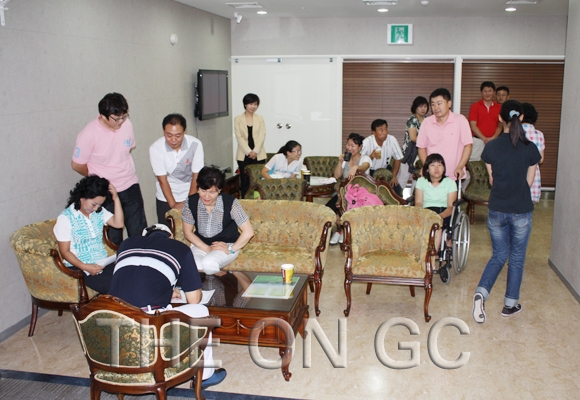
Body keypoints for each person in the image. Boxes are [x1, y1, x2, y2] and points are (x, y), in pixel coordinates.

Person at [108, 224, 226, 388]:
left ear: (144, 236)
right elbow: (194, 299)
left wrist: (166, 290)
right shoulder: (179, 248)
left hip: (114, 320)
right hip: (148, 324)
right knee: (202, 311)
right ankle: (206, 376)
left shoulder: (126, 244)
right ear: (171, 237)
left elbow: (135, 281)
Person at [472, 100, 541, 324]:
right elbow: (528, 182)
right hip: (521, 210)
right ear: (521, 118)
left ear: (500, 118)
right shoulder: (530, 148)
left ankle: (481, 293)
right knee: (517, 258)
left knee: (499, 255)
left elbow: (492, 179)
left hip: (497, 210)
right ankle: (510, 305)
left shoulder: (491, 147)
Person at [71, 93, 147, 245]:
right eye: (117, 118)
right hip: (106, 192)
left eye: (124, 116)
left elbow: (128, 148)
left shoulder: (127, 124)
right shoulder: (89, 134)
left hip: (130, 185)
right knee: (113, 239)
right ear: (103, 116)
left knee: (139, 233)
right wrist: (99, 180)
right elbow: (77, 165)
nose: (121, 121)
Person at [53, 175, 123, 294]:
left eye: (99, 205)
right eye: (94, 204)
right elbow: (65, 252)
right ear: (82, 198)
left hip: (102, 262)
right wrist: (85, 267)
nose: (96, 208)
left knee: (129, 277)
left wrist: (116, 199)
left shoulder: (99, 212)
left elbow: (119, 223)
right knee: (115, 287)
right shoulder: (66, 218)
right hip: (80, 267)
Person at [182, 167, 254, 275]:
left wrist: (231, 249)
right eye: (203, 190)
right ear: (198, 188)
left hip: (226, 245)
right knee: (193, 266)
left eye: (212, 192)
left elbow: (248, 232)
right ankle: (220, 280)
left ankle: (227, 280)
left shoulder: (230, 203)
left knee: (208, 264)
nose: (206, 196)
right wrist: (207, 248)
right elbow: (187, 232)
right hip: (201, 245)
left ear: (219, 190)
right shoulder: (190, 202)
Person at [149, 113, 204, 224]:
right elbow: (162, 180)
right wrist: (173, 205)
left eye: (178, 136)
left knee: (193, 231)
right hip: (166, 198)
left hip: (190, 194)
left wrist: (189, 202)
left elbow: (196, 176)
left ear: (184, 132)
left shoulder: (195, 144)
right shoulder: (156, 148)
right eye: (169, 135)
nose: (173, 140)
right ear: (163, 132)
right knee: (167, 232)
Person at [417, 88, 473, 182]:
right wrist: (427, 167)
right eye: (433, 104)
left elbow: (468, 145)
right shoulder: (426, 122)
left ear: (449, 103)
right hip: (433, 176)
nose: (436, 107)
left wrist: (460, 166)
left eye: (439, 103)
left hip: (454, 174)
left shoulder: (460, 120)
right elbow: (421, 147)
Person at [328, 133, 372, 245]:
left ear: (360, 147)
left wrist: (356, 167)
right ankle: (340, 230)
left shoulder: (365, 158)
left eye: (353, 146)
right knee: (330, 208)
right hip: (344, 192)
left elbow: (365, 166)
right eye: (348, 145)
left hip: (359, 194)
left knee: (346, 207)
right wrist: (340, 162)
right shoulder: (346, 159)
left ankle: (344, 231)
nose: (349, 148)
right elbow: (337, 176)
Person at [414, 153, 457, 247]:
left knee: (436, 225)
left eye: (440, 165)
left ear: (444, 168)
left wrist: (439, 216)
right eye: (433, 165)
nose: (436, 168)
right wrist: (422, 215)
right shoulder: (421, 181)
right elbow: (418, 202)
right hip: (426, 211)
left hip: (444, 212)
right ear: (427, 169)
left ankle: (434, 253)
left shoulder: (450, 183)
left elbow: (450, 207)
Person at [235, 93, 267, 197]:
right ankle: (245, 202)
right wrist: (249, 152)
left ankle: (258, 201)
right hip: (243, 154)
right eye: (251, 104)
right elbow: (239, 137)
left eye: (255, 104)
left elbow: (262, 135)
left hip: (258, 154)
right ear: (245, 104)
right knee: (245, 181)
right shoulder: (238, 119)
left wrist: (255, 151)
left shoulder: (260, 118)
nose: (253, 106)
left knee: (259, 181)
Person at [361, 119, 404, 195]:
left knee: (398, 192)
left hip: (386, 170)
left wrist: (393, 176)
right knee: (371, 194)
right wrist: (370, 157)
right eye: (381, 130)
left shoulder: (391, 140)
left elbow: (398, 158)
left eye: (386, 129)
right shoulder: (366, 142)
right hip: (370, 172)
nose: (385, 132)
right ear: (373, 132)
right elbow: (359, 161)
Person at [399, 96, 429, 191]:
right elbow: (413, 138)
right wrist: (426, 142)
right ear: (415, 107)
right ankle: (397, 197)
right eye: (420, 106)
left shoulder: (427, 120)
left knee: (418, 176)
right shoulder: (412, 119)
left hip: (421, 153)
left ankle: (414, 198)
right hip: (409, 152)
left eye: (425, 106)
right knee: (404, 177)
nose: (423, 109)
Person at [468, 81, 502, 161]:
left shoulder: (499, 107)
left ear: (494, 93)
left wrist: (493, 138)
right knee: (474, 164)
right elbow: (473, 126)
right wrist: (484, 139)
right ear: (481, 92)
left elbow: (500, 125)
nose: (487, 93)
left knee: (493, 164)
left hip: (494, 141)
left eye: (490, 91)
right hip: (478, 141)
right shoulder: (475, 106)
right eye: (485, 91)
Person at [521, 103, 545, 202]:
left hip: (516, 172)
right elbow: (541, 159)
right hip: (534, 174)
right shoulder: (539, 134)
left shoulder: (513, 133)